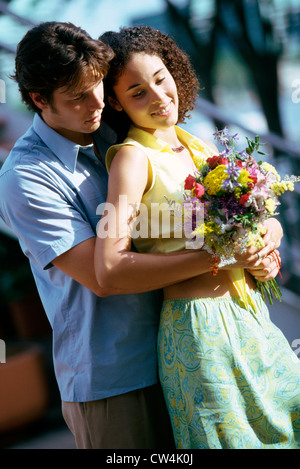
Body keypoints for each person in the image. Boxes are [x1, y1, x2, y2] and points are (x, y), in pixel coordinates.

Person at [0, 20, 279, 451]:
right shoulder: (26, 178)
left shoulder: (117, 138)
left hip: (185, 347)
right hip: (116, 379)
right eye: (77, 97)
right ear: (39, 100)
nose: (96, 104)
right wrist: (224, 256)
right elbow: (104, 275)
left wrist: (262, 244)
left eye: (98, 88)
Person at [94, 25, 300, 449]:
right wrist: (223, 257)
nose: (158, 97)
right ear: (115, 101)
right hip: (199, 330)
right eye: (137, 92)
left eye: (160, 78)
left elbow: (261, 225)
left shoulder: (202, 149)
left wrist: (266, 247)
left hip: (252, 318)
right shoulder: (132, 161)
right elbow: (109, 268)